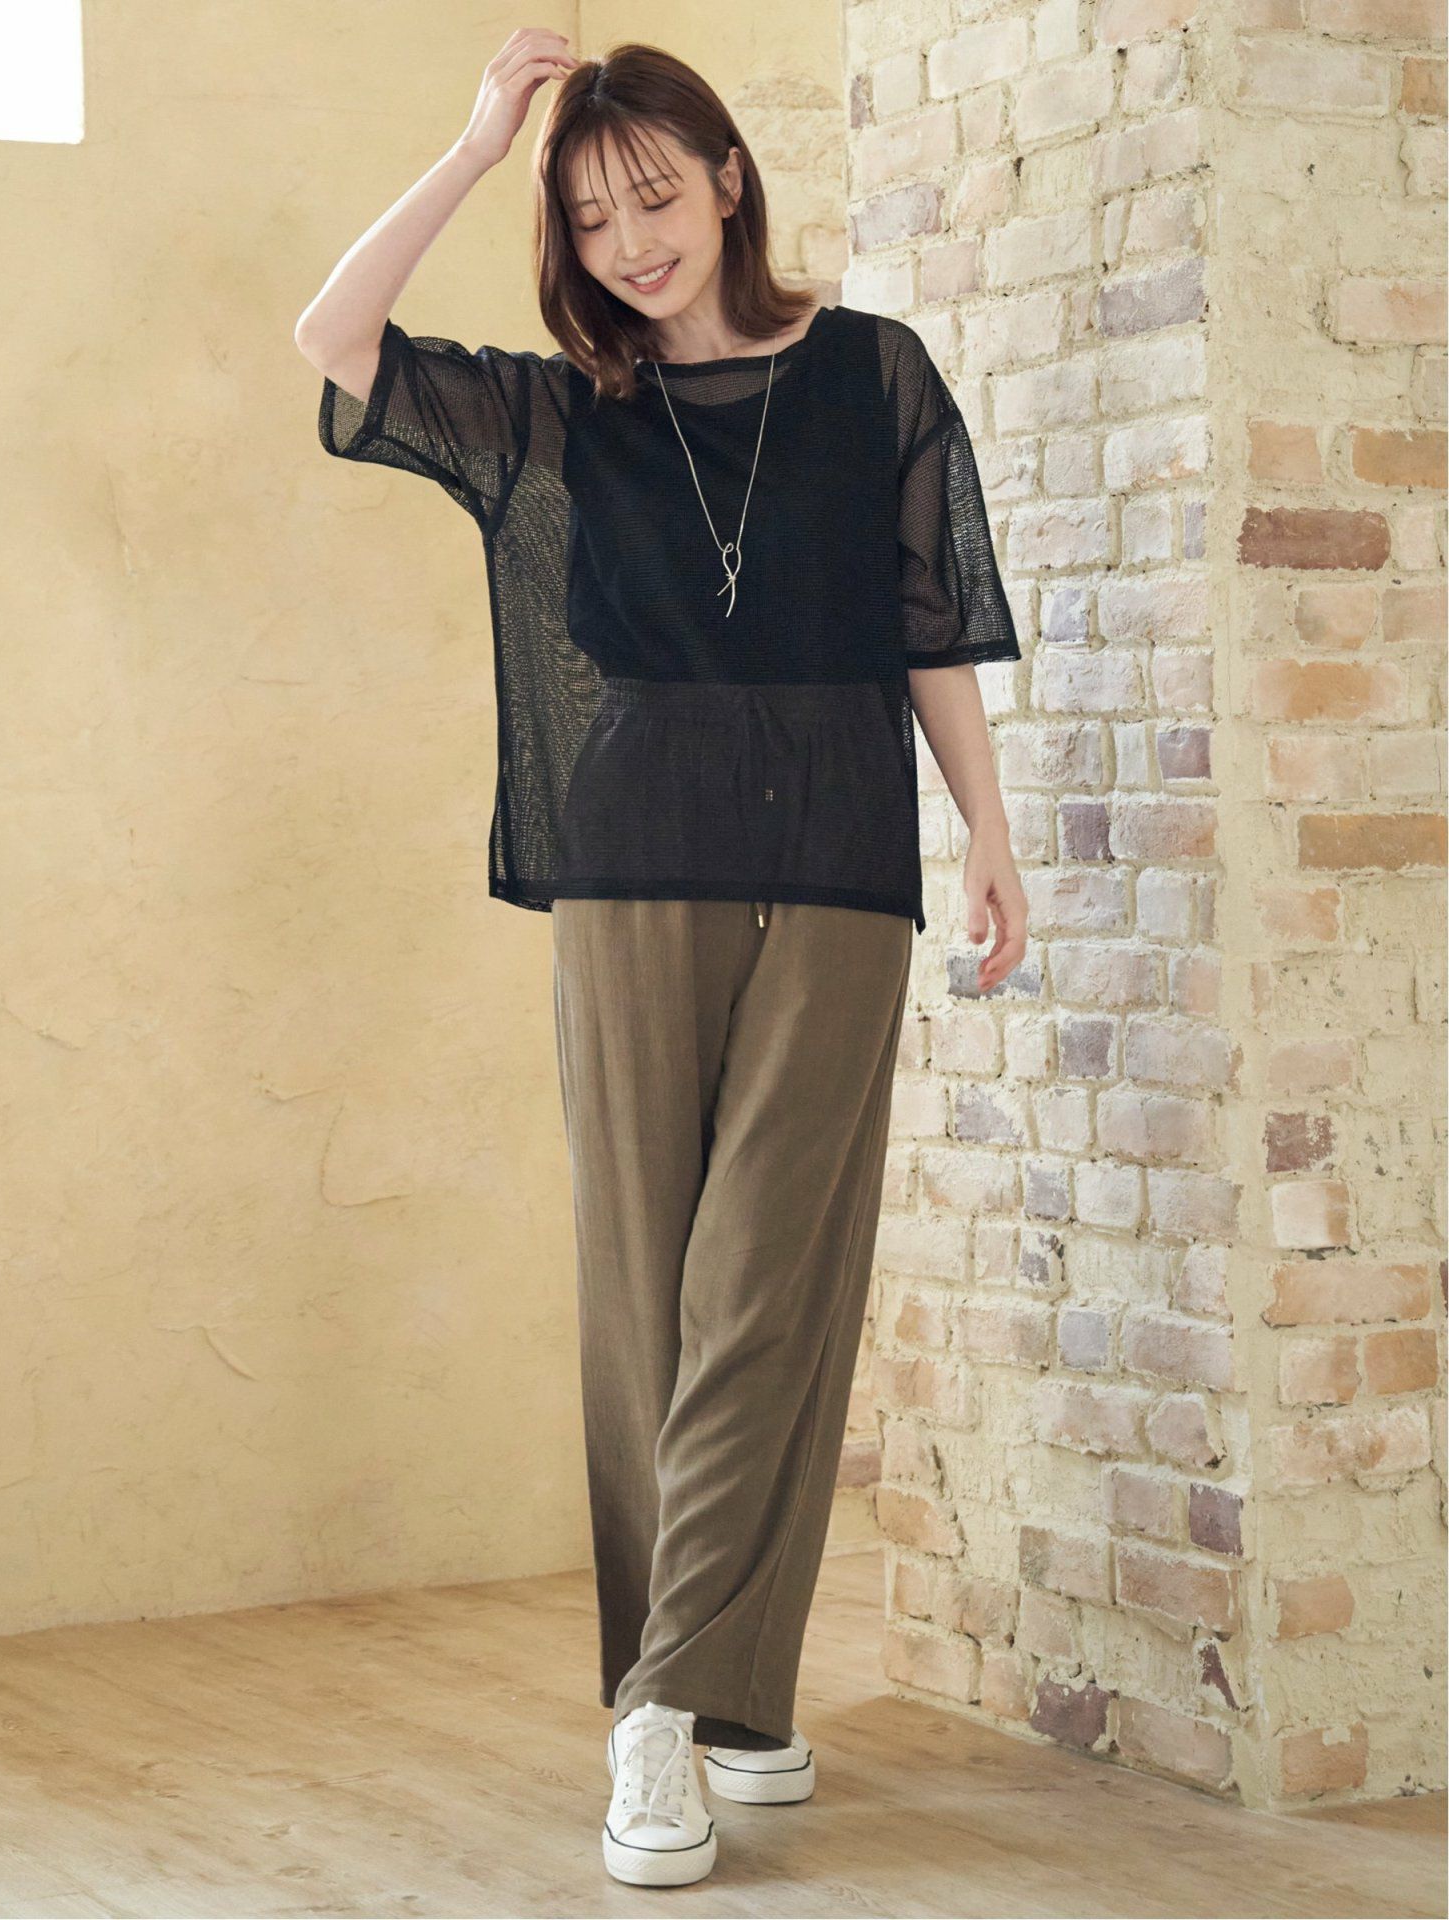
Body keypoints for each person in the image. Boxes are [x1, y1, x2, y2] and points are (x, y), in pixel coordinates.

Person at [295, 30, 1028, 1888]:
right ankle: (701, 1711)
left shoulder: (874, 371)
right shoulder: (564, 412)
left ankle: (685, 1695)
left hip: (843, 851)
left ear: (727, 180)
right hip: (636, 857)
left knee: (780, 1273)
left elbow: (926, 623)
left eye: (655, 194)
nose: (632, 239)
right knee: (651, 1283)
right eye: (592, 213)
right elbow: (335, 338)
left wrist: (990, 829)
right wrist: (480, 145)